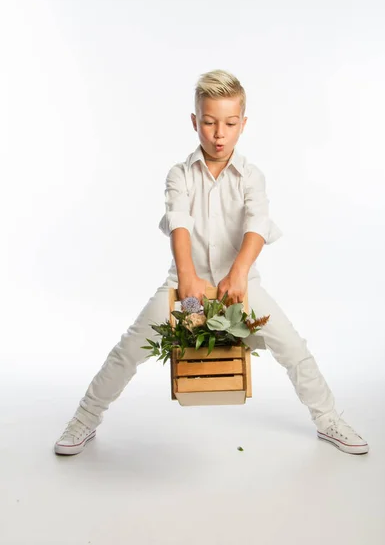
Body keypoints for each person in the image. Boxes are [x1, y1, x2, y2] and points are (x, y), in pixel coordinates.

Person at [54, 69, 369, 456]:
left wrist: (237, 276)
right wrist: (188, 280)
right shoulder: (179, 174)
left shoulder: (251, 176)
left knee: (292, 347)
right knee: (129, 349)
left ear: (243, 124)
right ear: (194, 121)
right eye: (209, 122)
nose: (219, 133)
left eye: (230, 123)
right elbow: (179, 221)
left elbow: (257, 222)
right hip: (187, 289)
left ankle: (328, 419)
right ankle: (84, 419)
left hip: (240, 288)